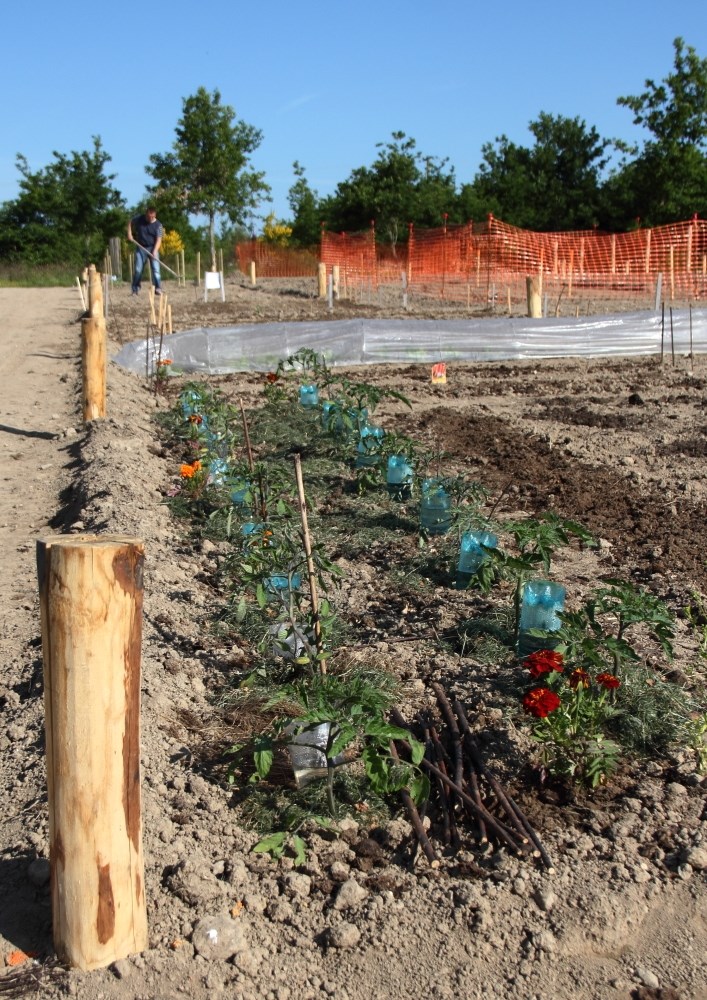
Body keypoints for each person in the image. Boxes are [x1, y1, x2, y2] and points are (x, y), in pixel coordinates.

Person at [127, 206, 164, 295]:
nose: (150, 218)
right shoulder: (140, 219)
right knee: (138, 269)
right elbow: (130, 222)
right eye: (148, 216)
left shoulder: (158, 225)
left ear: (155, 215)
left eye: (152, 217)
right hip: (141, 247)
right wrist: (129, 233)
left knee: (156, 269)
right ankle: (135, 289)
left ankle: (158, 288)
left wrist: (154, 251)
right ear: (146, 214)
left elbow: (159, 240)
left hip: (153, 247)